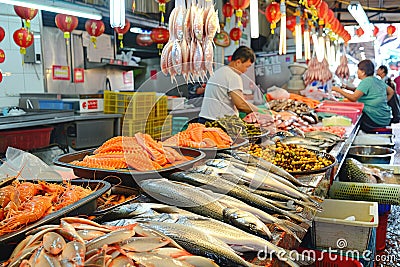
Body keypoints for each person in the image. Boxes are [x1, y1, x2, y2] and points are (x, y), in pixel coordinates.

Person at [198, 46, 266, 124]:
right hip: (217, 123)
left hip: (205, 120)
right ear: (238, 62)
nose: (246, 70)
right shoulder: (233, 76)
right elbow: (241, 104)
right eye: (247, 66)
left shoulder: (220, 71)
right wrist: (262, 111)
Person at [333, 59, 394, 132]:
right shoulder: (376, 80)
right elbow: (391, 92)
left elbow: (354, 98)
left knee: (349, 122)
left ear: (363, 72)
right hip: (385, 117)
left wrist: (338, 90)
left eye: (358, 70)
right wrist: (381, 102)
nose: (357, 72)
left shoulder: (366, 81)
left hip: (374, 119)